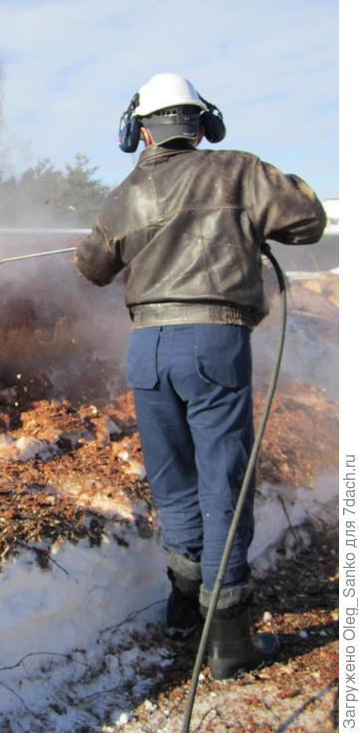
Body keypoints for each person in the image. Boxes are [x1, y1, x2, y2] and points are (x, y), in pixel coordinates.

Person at [74, 73, 326, 680]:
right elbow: (309, 220)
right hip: (213, 342)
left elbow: (92, 268)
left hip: (148, 349)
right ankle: (230, 641)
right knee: (223, 484)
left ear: (140, 130)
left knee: (175, 480)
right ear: (201, 123)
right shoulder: (238, 171)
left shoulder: (125, 192)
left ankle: (183, 608)